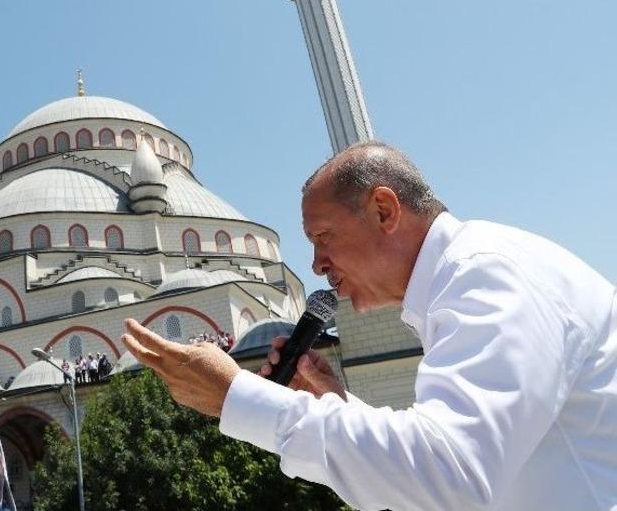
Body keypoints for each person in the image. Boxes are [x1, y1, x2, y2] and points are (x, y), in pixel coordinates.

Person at [122, 141, 616, 510]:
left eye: (323, 236)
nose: (316, 264)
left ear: (384, 210)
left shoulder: (486, 274)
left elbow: (452, 473)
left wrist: (238, 396)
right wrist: (338, 406)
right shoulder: (462, 281)